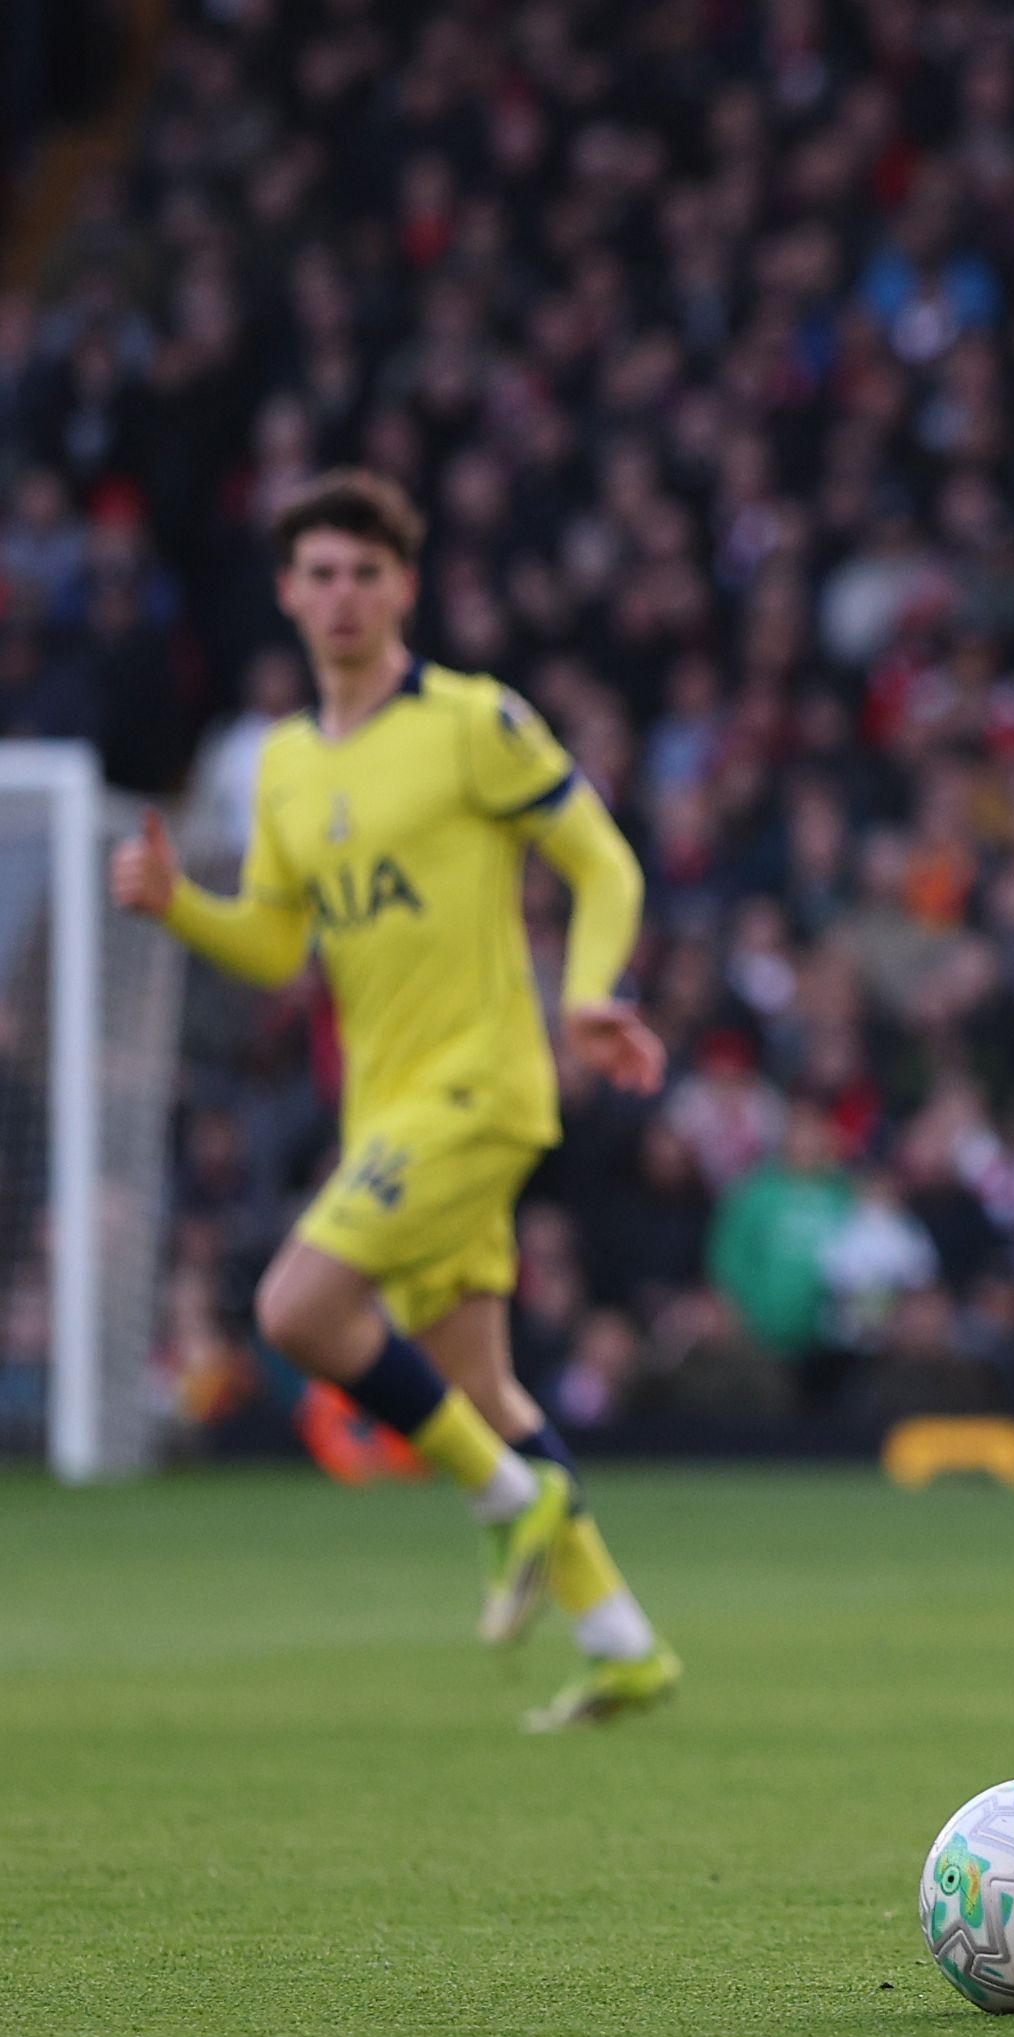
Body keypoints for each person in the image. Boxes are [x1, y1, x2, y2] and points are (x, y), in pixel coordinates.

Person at [110, 468, 681, 1732]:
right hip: (386, 1111)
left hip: (482, 1085)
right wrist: (177, 905)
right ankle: (621, 1639)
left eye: (367, 571)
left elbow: (603, 860)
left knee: (299, 1305)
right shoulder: (284, 767)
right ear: (287, 593)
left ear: (405, 586)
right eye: (319, 572)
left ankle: (506, 1502)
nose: (343, 594)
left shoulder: (477, 720)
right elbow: (274, 944)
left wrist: (589, 991)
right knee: (483, 1396)